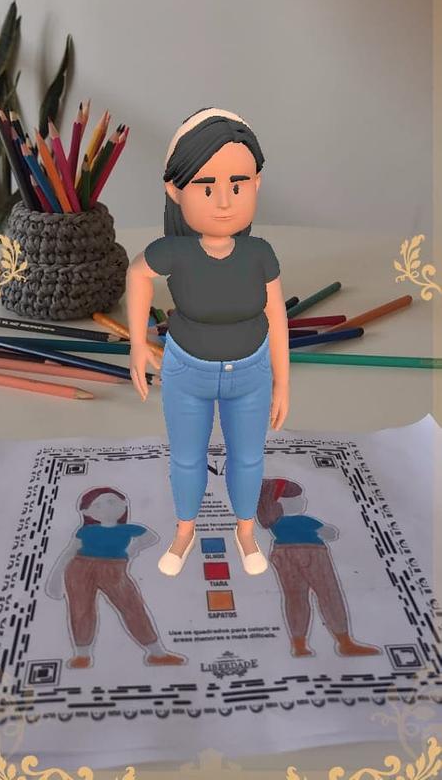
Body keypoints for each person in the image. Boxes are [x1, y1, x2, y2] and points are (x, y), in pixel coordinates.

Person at [126, 108, 289, 577]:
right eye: (205, 186)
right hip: (186, 371)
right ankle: (184, 531)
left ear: (256, 184)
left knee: (248, 458)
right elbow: (137, 274)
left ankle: (245, 530)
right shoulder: (174, 251)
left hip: (252, 371)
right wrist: (138, 343)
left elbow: (276, 316)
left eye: (237, 186)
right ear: (174, 190)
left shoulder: (261, 254)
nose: (223, 202)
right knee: (186, 458)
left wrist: (283, 382)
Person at [45, 486, 186, 667]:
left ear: (124, 504)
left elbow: (152, 537)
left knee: (132, 605)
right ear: (87, 512)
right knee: (81, 609)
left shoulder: (129, 529)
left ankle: (157, 653)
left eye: (111, 502)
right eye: (97, 506)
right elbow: (69, 552)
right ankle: (82, 656)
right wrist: (55, 579)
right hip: (80, 568)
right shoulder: (85, 531)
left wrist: (133, 549)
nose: (106, 508)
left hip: (114, 568)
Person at [257, 477, 381, 657]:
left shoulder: (275, 524)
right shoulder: (304, 521)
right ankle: (344, 642)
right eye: (298, 498)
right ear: (280, 503)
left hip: (281, 554)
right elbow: (330, 534)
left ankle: (299, 645)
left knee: (295, 598)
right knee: (328, 594)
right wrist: (326, 530)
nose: (303, 500)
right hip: (312, 553)